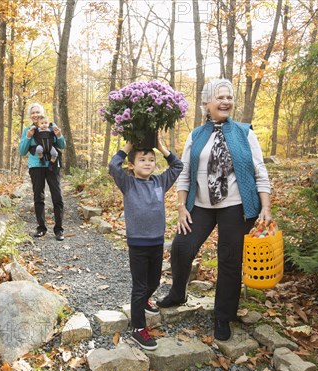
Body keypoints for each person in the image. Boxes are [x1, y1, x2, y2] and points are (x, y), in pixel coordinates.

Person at [156, 78, 272, 341]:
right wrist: (181, 207)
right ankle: (178, 292)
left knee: (229, 260)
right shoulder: (196, 135)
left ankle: (223, 315)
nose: (226, 102)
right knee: (181, 247)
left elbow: (259, 171)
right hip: (201, 205)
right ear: (206, 103)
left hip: (236, 206)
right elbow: (184, 174)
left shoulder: (245, 132)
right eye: (220, 97)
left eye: (229, 97)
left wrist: (266, 206)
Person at [109, 135, 183, 350]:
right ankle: (138, 329)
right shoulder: (128, 183)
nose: (148, 163)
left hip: (156, 242)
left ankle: (145, 302)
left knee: (154, 282)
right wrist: (129, 146)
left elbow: (177, 166)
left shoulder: (160, 181)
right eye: (142, 159)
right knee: (140, 286)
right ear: (132, 165)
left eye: (151, 159)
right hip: (138, 244)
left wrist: (160, 147)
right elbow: (113, 165)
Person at [19, 103, 66, 241]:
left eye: (38, 112)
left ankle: (59, 229)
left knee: (57, 196)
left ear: (43, 113)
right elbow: (22, 152)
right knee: (38, 196)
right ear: (29, 116)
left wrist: (60, 135)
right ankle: (41, 228)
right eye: (33, 113)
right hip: (36, 165)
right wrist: (28, 137)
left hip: (52, 165)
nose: (35, 114)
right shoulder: (28, 129)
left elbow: (62, 146)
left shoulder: (51, 126)